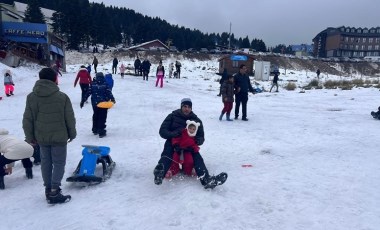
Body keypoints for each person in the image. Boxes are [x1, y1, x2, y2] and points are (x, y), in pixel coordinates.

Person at [23, 67, 77, 204]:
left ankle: (48, 189)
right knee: (59, 162)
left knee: (46, 162)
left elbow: (27, 119)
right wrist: (72, 133)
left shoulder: (31, 97)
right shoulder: (62, 97)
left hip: (41, 136)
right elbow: (69, 118)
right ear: (54, 79)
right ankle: (54, 190)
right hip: (59, 136)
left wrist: (29, 137)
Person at [153, 98, 228, 189]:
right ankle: (160, 173)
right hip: (174, 141)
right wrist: (174, 134)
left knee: (197, 157)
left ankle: (207, 180)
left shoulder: (196, 120)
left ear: (191, 108)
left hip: (189, 144)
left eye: (189, 107)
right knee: (168, 151)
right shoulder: (172, 116)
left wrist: (196, 141)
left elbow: (201, 137)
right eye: (185, 106)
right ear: (181, 107)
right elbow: (162, 131)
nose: (187, 109)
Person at [81, 72, 116, 138]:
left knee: (95, 115)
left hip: (95, 103)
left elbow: (88, 92)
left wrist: (83, 100)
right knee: (102, 116)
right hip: (103, 103)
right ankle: (101, 131)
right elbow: (109, 92)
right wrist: (112, 99)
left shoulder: (93, 84)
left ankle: (95, 129)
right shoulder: (105, 84)